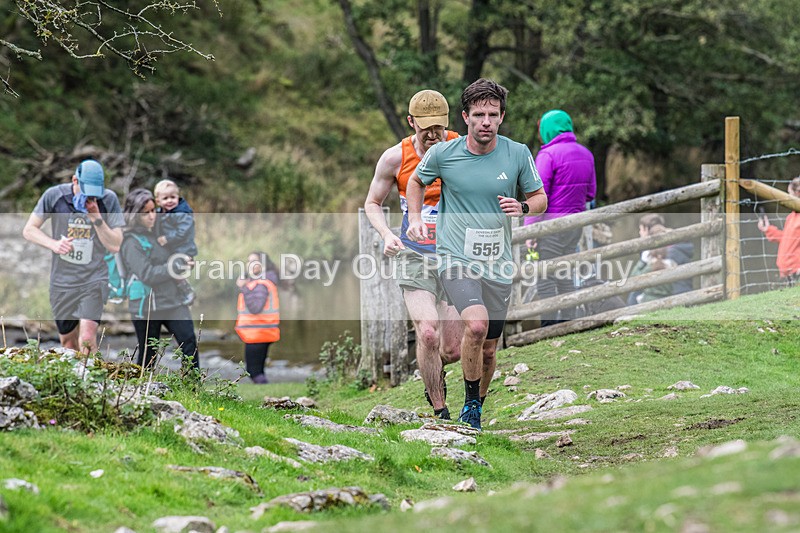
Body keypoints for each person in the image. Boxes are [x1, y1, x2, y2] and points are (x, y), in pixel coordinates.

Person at [406, 78, 547, 430]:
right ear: (465, 117)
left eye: (493, 115)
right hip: (455, 258)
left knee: (488, 349)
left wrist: (524, 206)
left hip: (497, 263)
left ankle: (477, 407)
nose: (486, 121)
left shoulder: (517, 153)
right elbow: (415, 182)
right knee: (476, 324)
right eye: (479, 114)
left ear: (502, 118)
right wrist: (414, 218)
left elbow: (541, 198)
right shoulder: (443, 154)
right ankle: (469, 404)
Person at [364, 89, 463, 420]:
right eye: (426, 128)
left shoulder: (464, 149)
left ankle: (435, 367)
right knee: (428, 331)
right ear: (411, 123)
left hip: (456, 255)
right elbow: (372, 203)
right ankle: (440, 408)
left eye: (439, 127)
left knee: (452, 349)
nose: (434, 135)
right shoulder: (395, 157)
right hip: (414, 254)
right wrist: (387, 234)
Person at [22, 159, 124, 354]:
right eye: (87, 192)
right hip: (62, 281)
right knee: (68, 344)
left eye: (95, 193)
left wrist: (97, 219)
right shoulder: (54, 195)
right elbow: (29, 230)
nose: (91, 198)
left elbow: (116, 244)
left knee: (86, 339)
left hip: (94, 278)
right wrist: (54, 244)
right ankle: (75, 381)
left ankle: (91, 382)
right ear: (75, 181)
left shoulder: (108, 199)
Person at [524, 109, 596, 327]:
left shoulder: (548, 155)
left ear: (547, 130)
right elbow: (591, 193)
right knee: (565, 274)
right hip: (574, 226)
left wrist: (530, 231)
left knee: (545, 278)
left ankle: (548, 327)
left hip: (550, 228)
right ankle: (567, 324)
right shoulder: (586, 153)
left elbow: (537, 194)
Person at [119, 188, 199, 370]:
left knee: (189, 342)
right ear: (134, 214)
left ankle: (193, 390)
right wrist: (175, 267)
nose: (152, 216)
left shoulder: (160, 234)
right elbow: (147, 274)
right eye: (145, 212)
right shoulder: (131, 242)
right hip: (145, 305)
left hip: (173, 300)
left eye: (153, 210)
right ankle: (140, 393)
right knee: (148, 353)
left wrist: (184, 262)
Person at [627, 214, 694, 304]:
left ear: (647, 230)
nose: (639, 233)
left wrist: (643, 260)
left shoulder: (665, 253)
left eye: (641, 229)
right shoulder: (675, 246)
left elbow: (634, 279)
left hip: (676, 296)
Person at [235, 251, 280, 384]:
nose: (249, 264)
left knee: (253, 372)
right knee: (258, 371)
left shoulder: (261, 284)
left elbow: (255, 307)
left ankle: (266, 397)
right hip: (261, 332)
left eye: (253, 261)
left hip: (257, 333)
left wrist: (244, 287)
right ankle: (265, 392)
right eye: (248, 261)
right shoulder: (262, 281)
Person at [154, 179, 197, 306]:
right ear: (158, 201)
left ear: (178, 197)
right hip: (172, 249)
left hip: (183, 249)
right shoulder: (161, 212)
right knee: (168, 269)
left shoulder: (182, 213)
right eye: (165, 198)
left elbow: (183, 231)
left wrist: (167, 238)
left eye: (173, 197)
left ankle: (186, 290)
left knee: (173, 269)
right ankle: (177, 293)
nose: (170, 201)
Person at [758, 176, 800, 285]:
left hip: (797, 271)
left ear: (798, 193)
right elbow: (787, 238)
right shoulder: (791, 217)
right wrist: (768, 229)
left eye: (789, 194)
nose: (787, 197)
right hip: (786, 272)